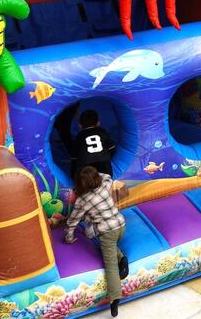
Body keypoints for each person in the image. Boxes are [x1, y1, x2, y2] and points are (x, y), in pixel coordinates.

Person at [63, 166, 126, 316]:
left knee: (110, 266)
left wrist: (69, 237)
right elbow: (107, 176)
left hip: (107, 232)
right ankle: (122, 257)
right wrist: (96, 175)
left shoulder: (82, 201)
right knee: (107, 245)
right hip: (121, 225)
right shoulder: (104, 185)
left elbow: (73, 221)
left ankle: (115, 298)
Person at [70, 109, 117, 181]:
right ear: (98, 123)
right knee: (106, 180)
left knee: (87, 182)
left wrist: (73, 173)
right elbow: (112, 148)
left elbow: (74, 156)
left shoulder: (80, 136)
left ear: (80, 125)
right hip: (103, 163)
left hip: (86, 165)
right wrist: (108, 155)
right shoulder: (102, 131)